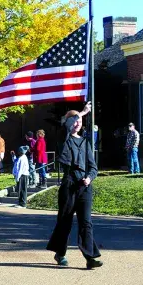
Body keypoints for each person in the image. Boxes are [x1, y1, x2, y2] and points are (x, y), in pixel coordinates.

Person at [46, 106, 103, 269]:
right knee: (65, 221)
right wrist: (82, 112)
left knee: (86, 222)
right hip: (69, 183)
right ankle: (60, 253)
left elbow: (93, 167)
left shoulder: (85, 142)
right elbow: (65, 126)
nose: (78, 123)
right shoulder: (63, 138)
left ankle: (90, 257)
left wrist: (89, 178)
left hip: (84, 186)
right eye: (75, 120)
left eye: (80, 121)